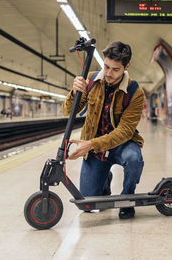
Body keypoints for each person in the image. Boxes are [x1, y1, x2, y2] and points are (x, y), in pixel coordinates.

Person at [62, 41, 145, 219]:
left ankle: (127, 199)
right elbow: (68, 111)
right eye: (106, 66)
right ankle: (104, 180)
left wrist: (91, 144)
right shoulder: (91, 80)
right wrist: (74, 92)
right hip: (96, 150)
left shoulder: (135, 92)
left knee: (134, 159)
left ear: (126, 66)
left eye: (115, 69)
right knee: (87, 204)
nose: (108, 73)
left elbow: (125, 131)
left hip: (121, 145)